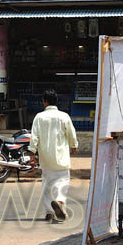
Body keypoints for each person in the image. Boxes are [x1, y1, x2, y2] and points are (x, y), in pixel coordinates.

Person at [28, 89, 77, 223]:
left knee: (47, 184)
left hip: (45, 158)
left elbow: (34, 137)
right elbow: (71, 134)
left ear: (45, 101)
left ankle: (49, 212)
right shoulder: (64, 116)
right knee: (62, 181)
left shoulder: (39, 117)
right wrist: (74, 145)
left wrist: (32, 153)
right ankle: (60, 201)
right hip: (61, 157)